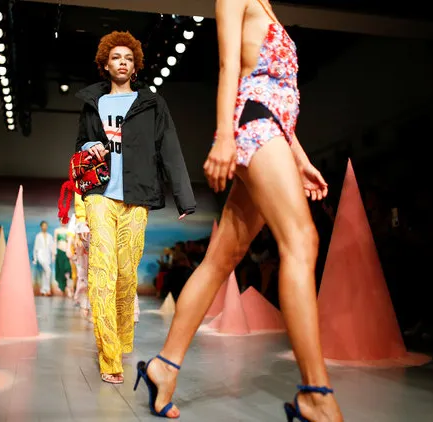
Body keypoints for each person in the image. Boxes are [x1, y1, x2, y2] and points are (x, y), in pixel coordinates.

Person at [133, 1, 343, 421]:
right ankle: (315, 394)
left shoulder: (267, 6)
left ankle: (164, 367)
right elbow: (231, 68)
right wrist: (224, 137)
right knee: (302, 241)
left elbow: (281, 95)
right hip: (254, 126)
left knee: (220, 259)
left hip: (272, 129)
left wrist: (299, 159)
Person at [75, 31, 195, 385]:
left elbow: (169, 147)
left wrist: (184, 198)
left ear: (136, 64)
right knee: (101, 271)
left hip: (137, 197)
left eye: (128, 57)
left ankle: (124, 339)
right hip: (99, 194)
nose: (122, 61)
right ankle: (109, 356)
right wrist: (90, 147)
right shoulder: (91, 103)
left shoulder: (151, 103)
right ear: (105, 64)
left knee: (127, 276)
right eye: (116, 57)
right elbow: (80, 143)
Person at [32, 221, 55, 296]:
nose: (44, 227)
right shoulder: (38, 236)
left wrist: (53, 255)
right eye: (43, 226)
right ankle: (47, 289)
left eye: (46, 226)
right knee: (48, 270)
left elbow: (52, 247)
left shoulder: (49, 236)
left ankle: (43, 290)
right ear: (41, 227)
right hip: (40, 255)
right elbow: (36, 247)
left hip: (47, 255)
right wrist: (35, 258)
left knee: (45, 273)